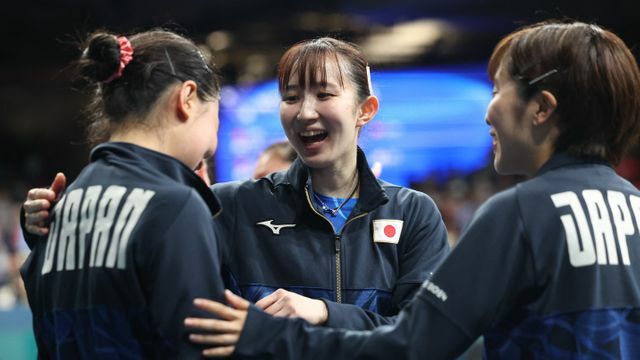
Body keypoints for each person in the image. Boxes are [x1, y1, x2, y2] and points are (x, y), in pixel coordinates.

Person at [183, 20, 640, 358]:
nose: (487, 112)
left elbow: (416, 342)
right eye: (290, 96)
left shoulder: (513, 213)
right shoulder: (634, 207)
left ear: (541, 109)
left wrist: (271, 330)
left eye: (497, 89)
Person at [23, 37, 450, 332]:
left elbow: (430, 334)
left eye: (323, 94)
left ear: (365, 110)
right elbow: (134, 267)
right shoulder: (228, 206)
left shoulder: (412, 213)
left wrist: (325, 313)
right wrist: (55, 226)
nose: (304, 112)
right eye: (290, 97)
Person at [19, 29, 225, 358]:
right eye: (215, 119)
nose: (212, 146)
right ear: (186, 99)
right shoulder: (175, 206)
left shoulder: (57, 211)